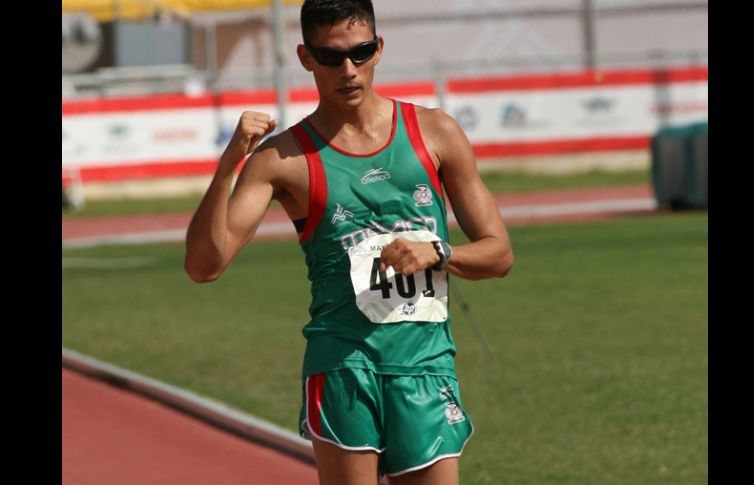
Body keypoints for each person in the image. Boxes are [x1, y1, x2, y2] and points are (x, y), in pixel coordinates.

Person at [184, 1, 513, 483]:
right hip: (343, 366)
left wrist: (438, 252)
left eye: (359, 53)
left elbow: (499, 253)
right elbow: (203, 265)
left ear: (378, 48)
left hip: (426, 365)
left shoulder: (436, 133)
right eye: (330, 56)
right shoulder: (283, 158)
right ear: (305, 57)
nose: (348, 69)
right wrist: (228, 165)